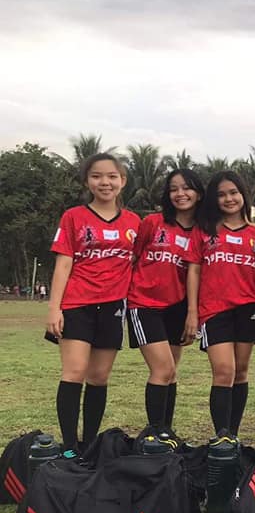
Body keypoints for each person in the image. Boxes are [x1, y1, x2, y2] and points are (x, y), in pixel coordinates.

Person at [46, 153, 140, 457]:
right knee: (74, 372)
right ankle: (69, 447)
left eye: (112, 176)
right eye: (97, 176)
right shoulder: (74, 216)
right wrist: (54, 308)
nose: (105, 182)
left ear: (122, 181)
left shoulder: (134, 222)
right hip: (77, 304)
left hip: (113, 306)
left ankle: (89, 444)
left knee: (99, 377)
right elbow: (63, 265)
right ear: (88, 181)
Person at [185, 171, 255, 436]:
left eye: (233, 192)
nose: (229, 199)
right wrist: (191, 311)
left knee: (241, 372)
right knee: (224, 371)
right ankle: (221, 436)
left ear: (243, 195)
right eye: (221, 194)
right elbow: (194, 270)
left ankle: (232, 435)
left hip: (248, 308)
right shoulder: (204, 231)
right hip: (214, 310)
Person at [127, 168, 203, 435]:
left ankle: (166, 434)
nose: (180, 194)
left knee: (170, 373)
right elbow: (132, 258)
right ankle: (154, 435)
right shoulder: (153, 223)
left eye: (187, 188)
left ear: (199, 192)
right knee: (163, 369)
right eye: (173, 189)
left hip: (177, 307)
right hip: (144, 303)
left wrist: (192, 313)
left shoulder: (203, 232)